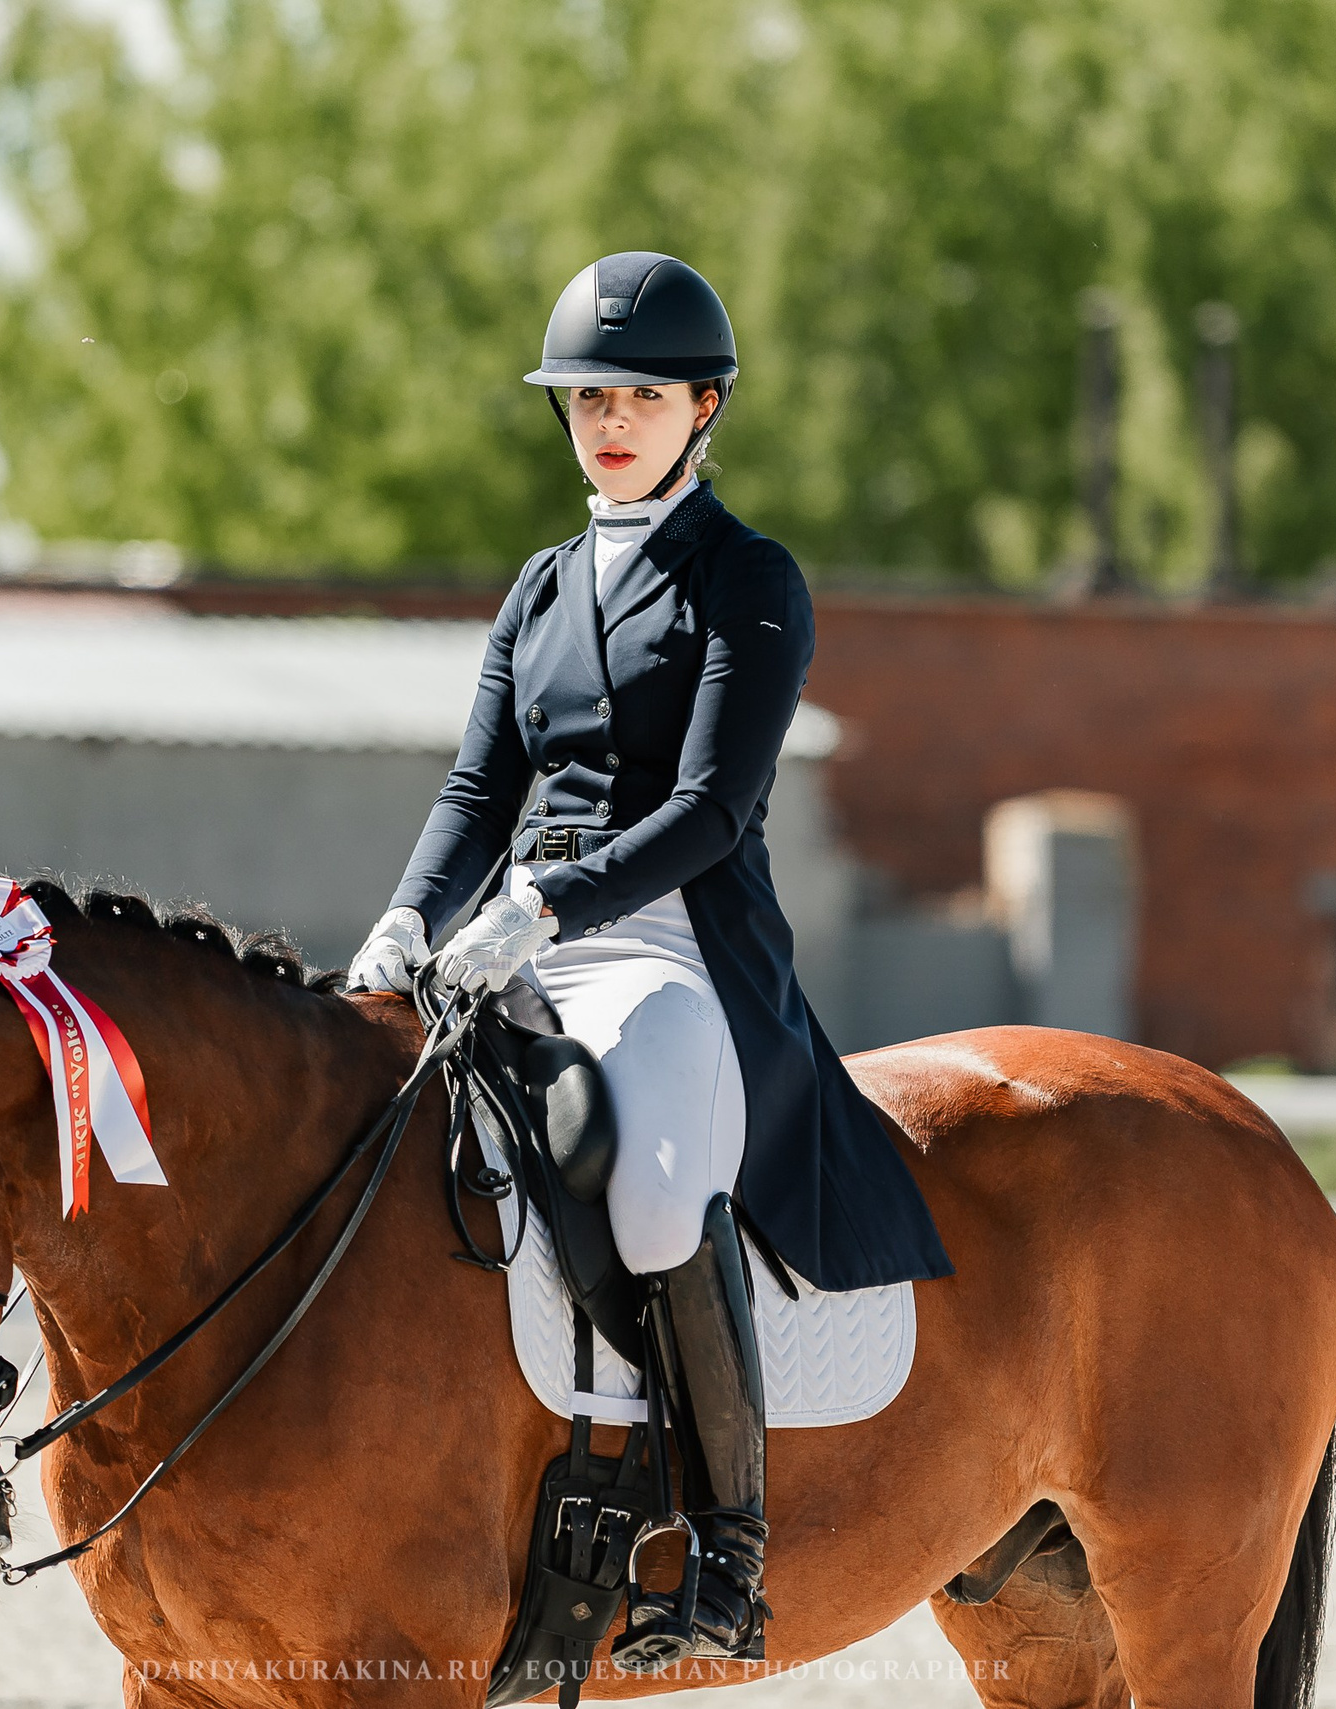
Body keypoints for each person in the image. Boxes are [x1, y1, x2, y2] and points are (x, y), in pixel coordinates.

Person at [348, 253, 951, 1670]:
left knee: (661, 1193)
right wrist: (404, 923)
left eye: (639, 396)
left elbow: (708, 814)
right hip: (513, 943)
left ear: (706, 406)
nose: (609, 420)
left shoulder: (749, 582)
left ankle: (730, 1553)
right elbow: (473, 794)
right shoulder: (543, 587)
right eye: (586, 396)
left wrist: (546, 907)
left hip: (669, 947)